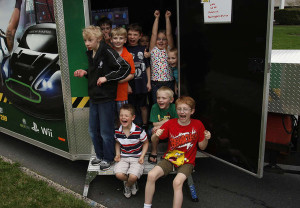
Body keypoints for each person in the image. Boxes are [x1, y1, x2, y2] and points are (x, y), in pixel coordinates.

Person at [74, 26, 130, 170]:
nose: (87, 43)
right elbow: (97, 71)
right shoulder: (91, 53)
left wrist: (107, 78)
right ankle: (99, 156)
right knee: (93, 130)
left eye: (90, 40)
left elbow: (125, 68)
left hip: (106, 98)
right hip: (94, 98)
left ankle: (108, 158)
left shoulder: (107, 51)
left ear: (98, 39)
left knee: (106, 131)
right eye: (85, 40)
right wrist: (85, 72)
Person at [144, 96, 211, 208]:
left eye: (185, 109)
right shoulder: (171, 123)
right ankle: (146, 206)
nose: (182, 112)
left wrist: (206, 138)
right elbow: (154, 140)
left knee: (177, 182)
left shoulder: (198, 124)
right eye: (179, 109)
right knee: (151, 175)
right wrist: (156, 135)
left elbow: (202, 147)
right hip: (171, 158)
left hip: (187, 161)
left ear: (192, 111)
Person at [114, 104, 149, 198]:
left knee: (133, 176)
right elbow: (117, 143)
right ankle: (132, 183)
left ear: (133, 117)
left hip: (137, 157)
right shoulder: (117, 131)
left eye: (126, 116)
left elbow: (146, 143)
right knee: (119, 175)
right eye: (121, 115)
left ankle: (128, 185)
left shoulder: (139, 131)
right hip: (124, 157)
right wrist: (117, 154)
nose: (123, 117)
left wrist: (142, 156)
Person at [126, 23, 151, 129]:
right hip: (130, 84)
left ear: (140, 36)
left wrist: (149, 82)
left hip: (142, 83)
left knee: (143, 106)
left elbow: (148, 67)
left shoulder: (143, 49)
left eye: (135, 34)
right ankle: (132, 127)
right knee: (131, 107)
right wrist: (126, 84)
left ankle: (144, 126)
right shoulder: (124, 49)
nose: (132, 37)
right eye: (130, 34)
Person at [149, 10, 175, 103]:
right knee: (157, 105)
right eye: (158, 39)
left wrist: (167, 18)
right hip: (156, 83)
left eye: (164, 39)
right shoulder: (153, 49)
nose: (160, 41)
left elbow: (169, 34)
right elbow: (153, 34)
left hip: (169, 82)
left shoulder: (169, 49)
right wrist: (156, 18)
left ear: (167, 41)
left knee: (169, 105)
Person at [147, 86, 178, 164]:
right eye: (158, 98)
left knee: (176, 130)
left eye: (164, 98)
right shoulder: (155, 107)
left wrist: (162, 125)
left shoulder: (174, 107)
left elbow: (176, 122)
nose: (160, 100)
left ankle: (171, 152)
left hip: (169, 130)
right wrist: (167, 121)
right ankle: (154, 151)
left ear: (171, 100)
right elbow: (154, 123)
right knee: (154, 131)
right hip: (156, 130)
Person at [111, 27, 136, 119]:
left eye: (121, 38)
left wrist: (121, 80)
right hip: (108, 94)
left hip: (121, 94)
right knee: (110, 118)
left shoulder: (128, 56)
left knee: (122, 117)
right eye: (115, 38)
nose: (118, 41)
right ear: (111, 40)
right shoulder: (108, 53)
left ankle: (121, 133)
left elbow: (132, 74)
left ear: (125, 40)